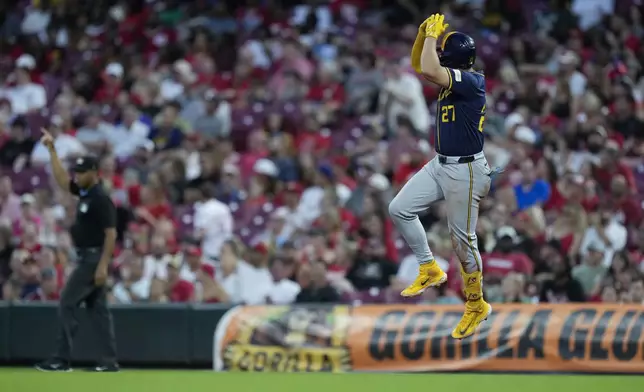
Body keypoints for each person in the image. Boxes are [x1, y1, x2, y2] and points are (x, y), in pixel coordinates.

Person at [388, 14, 492, 339]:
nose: (441, 57)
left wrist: (432, 40)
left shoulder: (474, 81)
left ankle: (476, 304)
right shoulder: (454, 77)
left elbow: (431, 68)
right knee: (399, 209)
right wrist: (423, 36)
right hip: (440, 163)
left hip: (466, 169)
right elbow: (423, 65)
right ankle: (429, 267)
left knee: (463, 242)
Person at [35, 128, 119, 373]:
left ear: (94, 173)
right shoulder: (85, 192)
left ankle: (60, 359)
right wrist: (52, 150)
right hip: (89, 257)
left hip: (93, 259)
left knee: (67, 303)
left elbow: (111, 234)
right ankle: (108, 360)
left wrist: (103, 265)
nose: (77, 176)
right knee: (99, 311)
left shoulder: (100, 198)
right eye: (77, 172)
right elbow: (62, 181)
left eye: (82, 172)